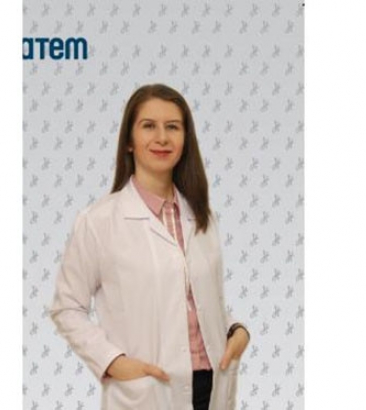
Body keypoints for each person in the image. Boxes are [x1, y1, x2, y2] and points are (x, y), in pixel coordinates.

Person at [49, 83, 250, 410]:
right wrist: (113, 362)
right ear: (129, 141)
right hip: (149, 389)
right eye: (148, 126)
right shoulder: (99, 221)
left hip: (212, 384)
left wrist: (236, 330)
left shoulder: (203, 217)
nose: (162, 137)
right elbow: (67, 307)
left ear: (185, 139)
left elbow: (198, 300)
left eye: (173, 127)